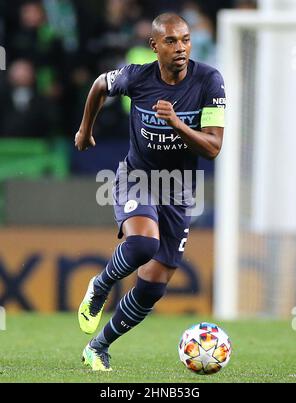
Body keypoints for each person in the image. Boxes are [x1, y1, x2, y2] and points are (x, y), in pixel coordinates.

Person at [75, 12, 225, 371]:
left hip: (179, 188)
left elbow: (213, 147)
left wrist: (176, 123)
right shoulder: (137, 76)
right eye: (171, 41)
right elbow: (99, 84)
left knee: (153, 286)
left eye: (185, 40)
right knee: (143, 244)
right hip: (137, 176)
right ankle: (101, 285)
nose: (181, 48)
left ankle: (98, 346)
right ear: (154, 46)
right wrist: (85, 130)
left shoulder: (209, 80)